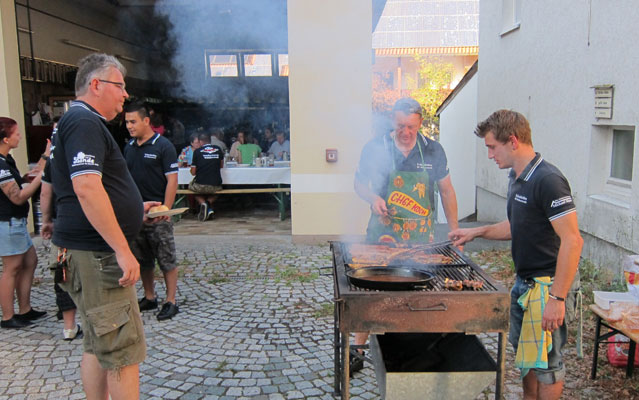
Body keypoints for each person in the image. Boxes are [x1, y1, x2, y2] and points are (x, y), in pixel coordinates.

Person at [50, 53, 165, 400]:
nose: (125, 95)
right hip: (99, 256)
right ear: (96, 85)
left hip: (86, 251)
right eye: (120, 86)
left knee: (97, 344)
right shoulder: (84, 122)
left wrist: (132, 207)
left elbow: (86, 189)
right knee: (121, 350)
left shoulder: (76, 120)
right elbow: (86, 187)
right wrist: (121, 248)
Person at [448, 110, 583, 400]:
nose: (489, 155)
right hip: (524, 284)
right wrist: (476, 232)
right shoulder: (516, 177)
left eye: (491, 147)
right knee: (527, 361)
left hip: (548, 286)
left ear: (512, 141)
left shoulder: (548, 180)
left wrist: (557, 299)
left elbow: (573, 241)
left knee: (547, 365)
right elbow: (516, 225)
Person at [351, 97, 460, 373]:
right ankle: (358, 349)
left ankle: (416, 348)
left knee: (421, 294)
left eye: (411, 126)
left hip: (420, 237)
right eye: (401, 125)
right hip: (382, 232)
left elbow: (447, 191)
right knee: (371, 291)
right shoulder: (375, 147)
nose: (406, 132)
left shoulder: (433, 150)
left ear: (420, 123)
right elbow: (359, 184)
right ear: (392, 121)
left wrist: (455, 229)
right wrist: (373, 198)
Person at [123, 102, 180, 321]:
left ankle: (171, 300)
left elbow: (172, 181)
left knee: (166, 258)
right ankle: (149, 296)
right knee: (143, 259)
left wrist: (165, 208)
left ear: (146, 121)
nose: (129, 126)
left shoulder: (163, 146)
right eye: (127, 122)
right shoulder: (128, 147)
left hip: (158, 214)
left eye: (133, 121)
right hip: (137, 214)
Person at [0, 117, 50, 329]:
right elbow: (18, 196)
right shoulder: (0, 166)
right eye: (16, 133)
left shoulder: (7, 159)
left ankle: (25, 309)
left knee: (30, 261)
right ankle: (8, 317)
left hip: (17, 222)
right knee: (11, 268)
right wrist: (43, 177)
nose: (20, 136)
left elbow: (25, 179)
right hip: (8, 223)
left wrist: (46, 156)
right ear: (5, 138)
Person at [41, 118, 82, 340]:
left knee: (63, 274)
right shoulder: (84, 153)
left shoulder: (52, 160)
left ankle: (69, 326)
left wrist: (46, 220)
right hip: (87, 226)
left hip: (62, 227)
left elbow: (45, 192)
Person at [190, 133, 223, 221]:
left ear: (200, 142)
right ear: (210, 140)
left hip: (200, 185)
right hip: (215, 185)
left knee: (191, 189)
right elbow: (221, 166)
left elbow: (193, 172)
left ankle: (204, 203)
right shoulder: (218, 149)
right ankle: (208, 204)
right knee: (218, 191)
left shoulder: (197, 151)